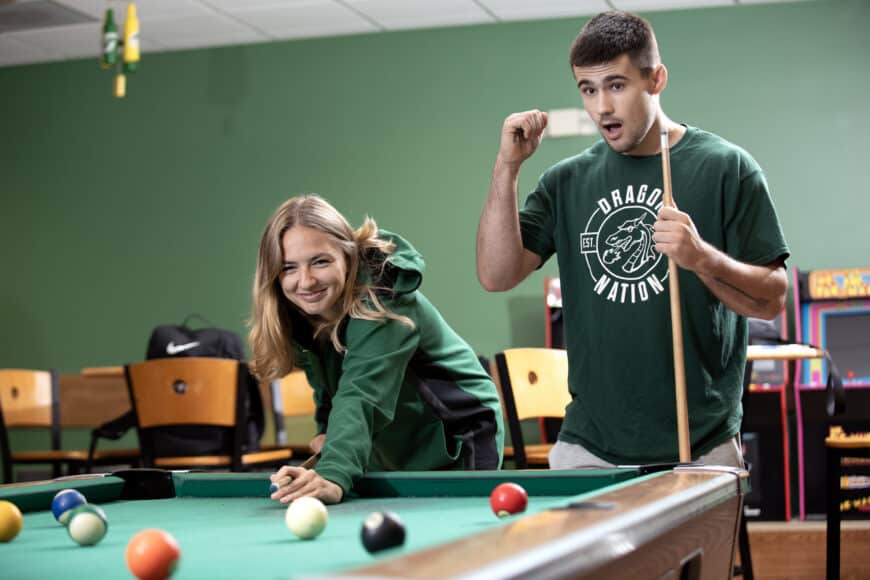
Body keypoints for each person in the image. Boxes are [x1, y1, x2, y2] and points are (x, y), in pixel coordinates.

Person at [476, 11, 789, 469]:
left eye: (617, 85)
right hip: (588, 445)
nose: (602, 107)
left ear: (656, 79)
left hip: (699, 442)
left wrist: (701, 257)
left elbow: (772, 297)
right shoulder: (567, 181)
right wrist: (507, 168)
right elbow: (495, 275)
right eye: (588, 89)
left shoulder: (726, 167)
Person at [250, 194, 503, 504]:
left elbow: (362, 392)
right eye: (288, 267)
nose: (306, 281)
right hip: (396, 445)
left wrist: (332, 473)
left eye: (320, 261)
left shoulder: (383, 296)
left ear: (348, 256)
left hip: (462, 434)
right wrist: (328, 435)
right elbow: (332, 390)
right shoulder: (302, 316)